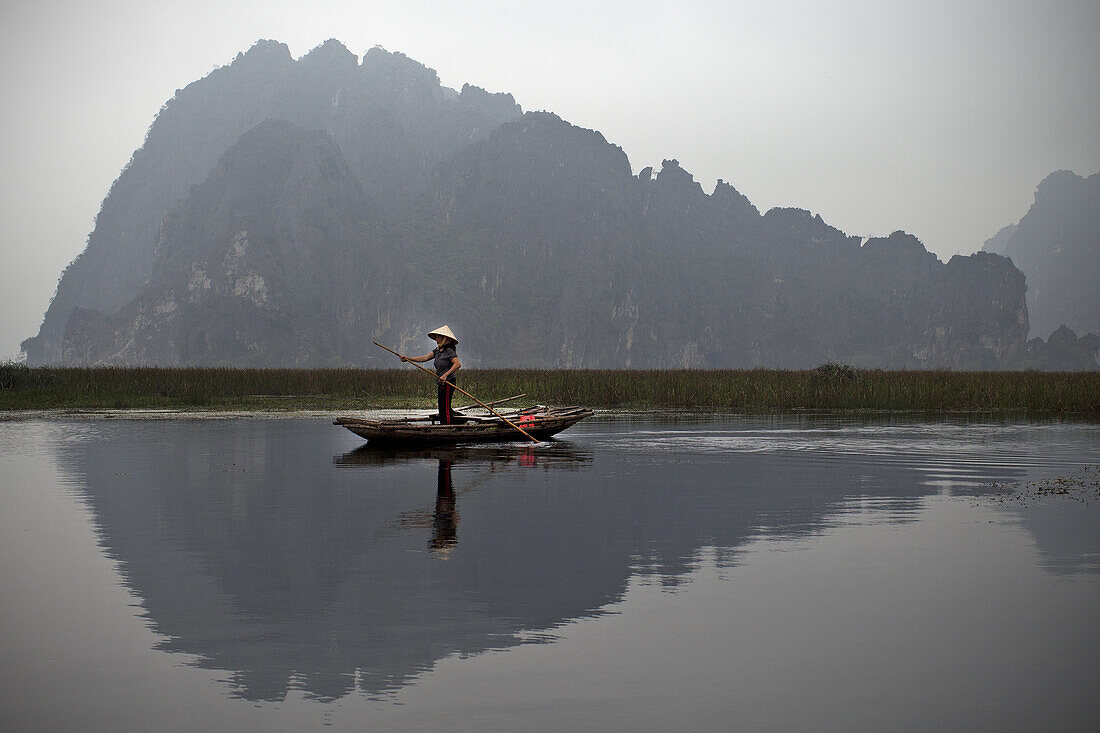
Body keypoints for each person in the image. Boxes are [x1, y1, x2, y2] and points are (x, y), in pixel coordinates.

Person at [401, 326, 462, 424]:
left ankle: (447, 427)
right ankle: (448, 422)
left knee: (445, 408)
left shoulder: (449, 351)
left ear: (446, 339)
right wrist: (408, 359)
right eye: (436, 338)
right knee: (441, 407)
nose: (437, 340)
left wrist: (445, 375)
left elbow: (457, 364)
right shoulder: (437, 351)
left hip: (448, 382)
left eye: (439, 338)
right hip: (441, 382)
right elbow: (424, 358)